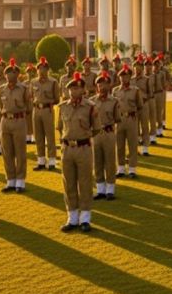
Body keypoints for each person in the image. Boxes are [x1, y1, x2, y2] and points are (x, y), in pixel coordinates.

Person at [57, 72, 97, 232]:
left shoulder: (90, 107)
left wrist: (83, 139)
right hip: (67, 148)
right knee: (69, 183)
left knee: (85, 182)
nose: (73, 91)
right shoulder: (62, 107)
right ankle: (72, 217)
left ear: (83, 90)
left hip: (83, 148)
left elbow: (96, 128)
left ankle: (85, 218)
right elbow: (60, 128)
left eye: (76, 88)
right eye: (71, 88)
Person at [0, 58, 31, 193]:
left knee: (20, 152)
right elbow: (0, 107)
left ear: (17, 74)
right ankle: (10, 180)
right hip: (5, 122)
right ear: (5, 75)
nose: (10, 75)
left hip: (19, 121)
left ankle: (20, 181)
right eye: (8, 73)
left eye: (13, 73)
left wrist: (18, 115)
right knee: (7, 152)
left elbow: (28, 107)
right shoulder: (1, 89)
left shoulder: (23, 88)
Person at [93, 70, 120, 201]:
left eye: (104, 84)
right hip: (96, 134)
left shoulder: (114, 101)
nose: (102, 87)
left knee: (109, 161)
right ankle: (100, 189)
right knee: (97, 162)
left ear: (109, 86)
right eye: (100, 84)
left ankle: (110, 189)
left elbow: (117, 118)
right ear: (97, 86)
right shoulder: (91, 102)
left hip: (109, 132)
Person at [30, 56, 60, 171]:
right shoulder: (33, 82)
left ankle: (52, 161)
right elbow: (31, 96)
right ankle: (41, 161)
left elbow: (57, 98)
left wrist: (48, 101)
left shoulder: (53, 82)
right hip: (36, 110)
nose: (41, 71)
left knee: (50, 135)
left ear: (48, 70)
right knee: (38, 136)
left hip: (47, 109)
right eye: (39, 68)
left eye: (44, 68)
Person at [114, 63, 142, 178]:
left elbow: (140, 106)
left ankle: (132, 169)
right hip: (119, 119)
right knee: (119, 145)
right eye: (121, 76)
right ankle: (120, 168)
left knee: (132, 144)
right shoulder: (115, 91)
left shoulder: (135, 90)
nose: (123, 78)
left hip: (131, 118)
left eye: (125, 76)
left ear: (130, 77)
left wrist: (135, 118)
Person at [131, 56, 152, 155]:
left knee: (144, 126)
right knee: (134, 127)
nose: (137, 69)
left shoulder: (147, 79)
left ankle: (145, 148)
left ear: (142, 68)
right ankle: (135, 147)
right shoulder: (131, 80)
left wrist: (143, 99)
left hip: (143, 105)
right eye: (135, 67)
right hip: (134, 106)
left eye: (139, 67)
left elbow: (150, 93)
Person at [22, 63, 37, 144]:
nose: (30, 73)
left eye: (32, 72)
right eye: (28, 72)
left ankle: (35, 137)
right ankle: (28, 136)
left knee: (35, 122)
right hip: (27, 105)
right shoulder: (24, 83)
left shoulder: (37, 82)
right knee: (27, 121)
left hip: (35, 105)